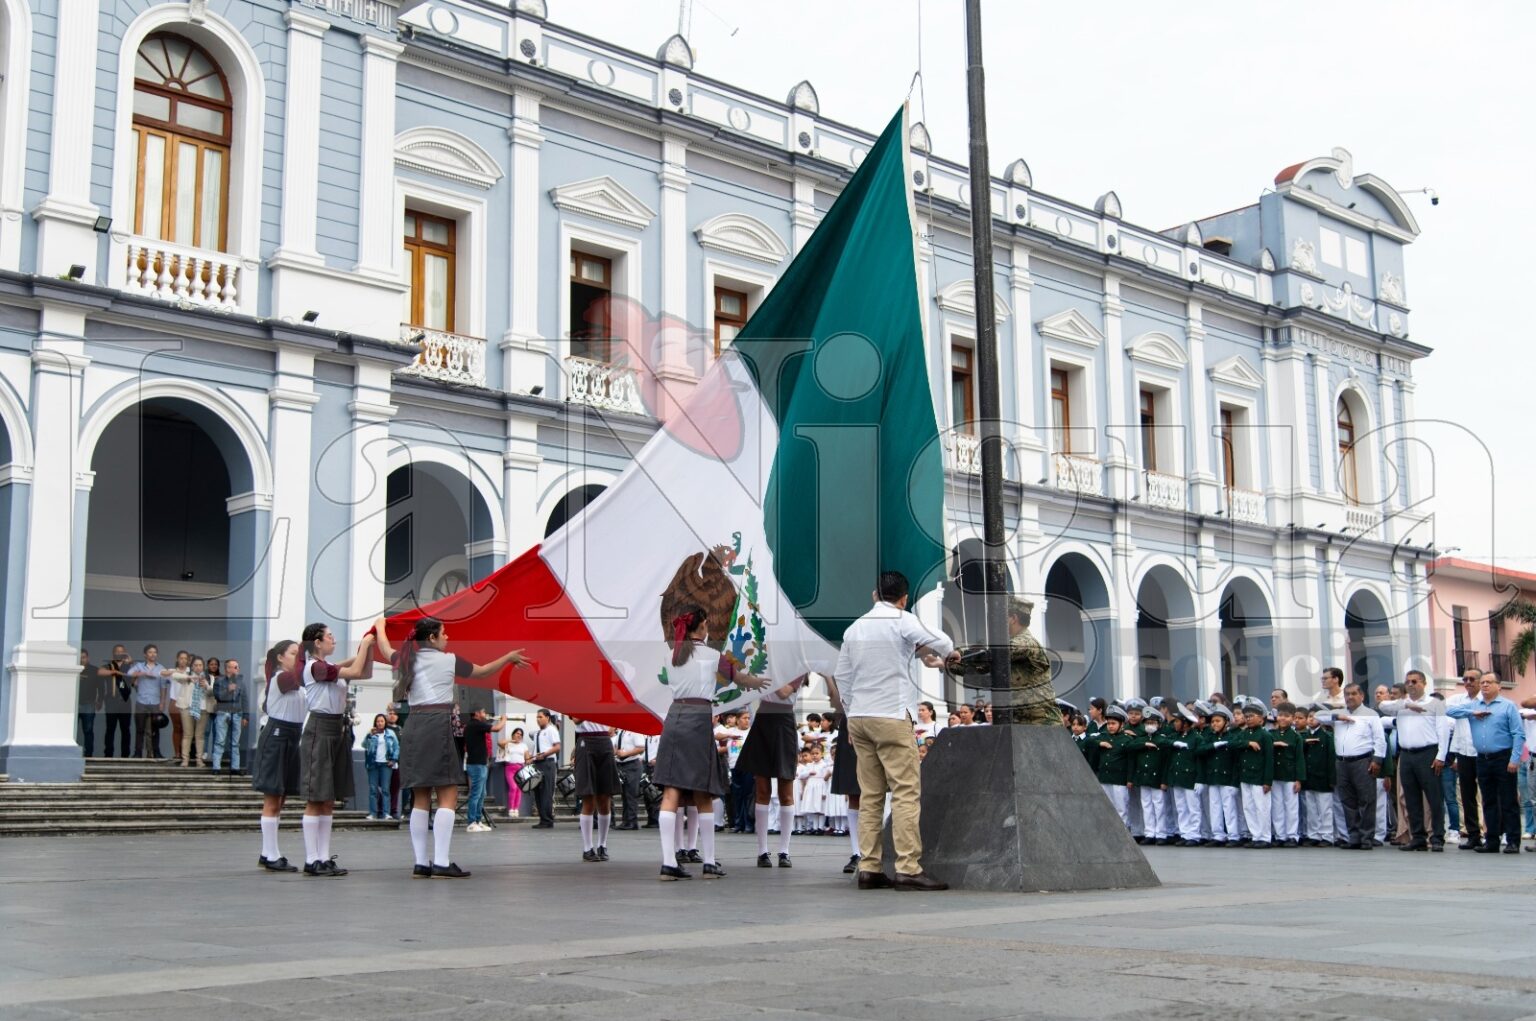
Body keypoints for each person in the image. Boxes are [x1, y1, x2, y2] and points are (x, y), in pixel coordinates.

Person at [372, 615, 528, 878]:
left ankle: (421, 863)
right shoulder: (449, 660)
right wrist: (508, 658)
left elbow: (386, 648)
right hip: (436, 725)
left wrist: (378, 628)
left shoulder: (407, 658)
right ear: (432, 638)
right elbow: (482, 671)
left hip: (413, 726)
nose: (448, 637)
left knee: (420, 797)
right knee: (447, 794)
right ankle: (442, 862)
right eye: (444, 633)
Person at [836, 572, 959, 891]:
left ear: (875, 594)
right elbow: (942, 640)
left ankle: (869, 866)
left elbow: (842, 676)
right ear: (903, 598)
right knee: (905, 791)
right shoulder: (902, 619)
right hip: (890, 714)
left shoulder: (855, 628)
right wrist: (949, 654)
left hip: (860, 717)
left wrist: (850, 716)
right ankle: (907, 867)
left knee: (871, 794)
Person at [653, 604, 768, 880]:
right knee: (704, 791)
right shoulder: (712, 655)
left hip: (674, 717)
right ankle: (710, 862)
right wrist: (758, 682)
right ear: (702, 626)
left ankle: (669, 862)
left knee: (671, 792)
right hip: (698, 718)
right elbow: (738, 678)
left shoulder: (673, 655)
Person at [1445, 672, 1526, 854]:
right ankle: (1491, 840)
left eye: (1489, 682)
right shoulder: (1474, 705)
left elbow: (1518, 734)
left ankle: (1513, 840)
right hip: (1482, 757)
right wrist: (1472, 712)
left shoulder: (1507, 706)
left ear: (1499, 685)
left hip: (1503, 757)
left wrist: (1514, 759)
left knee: (1508, 800)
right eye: (1482, 683)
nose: (1485, 685)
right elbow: (1449, 710)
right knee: (1488, 800)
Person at [738, 673, 807, 869]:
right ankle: (762, 851)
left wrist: (765, 679)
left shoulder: (798, 667)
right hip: (763, 718)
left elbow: (785, 692)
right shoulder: (764, 664)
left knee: (786, 791)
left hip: (784, 719)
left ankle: (784, 851)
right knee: (762, 790)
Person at [1378, 670, 1448, 852]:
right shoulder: (1401, 705)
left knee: (1434, 797)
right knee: (1411, 797)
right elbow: (1383, 705)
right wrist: (1408, 705)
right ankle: (1418, 836)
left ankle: (1437, 836)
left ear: (1424, 684)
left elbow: (1443, 730)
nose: (1411, 684)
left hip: (1428, 752)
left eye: (1415, 681)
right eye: (1408, 682)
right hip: (1407, 754)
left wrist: (1441, 755)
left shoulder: (1434, 703)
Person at [253, 640, 302, 873]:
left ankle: (267, 852)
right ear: (281, 658)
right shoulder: (281, 677)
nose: (298, 657)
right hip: (276, 736)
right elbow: (308, 672)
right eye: (294, 653)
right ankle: (271, 854)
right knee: (272, 797)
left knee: (281, 798)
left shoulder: (299, 682)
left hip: (293, 736)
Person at [1320, 684, 1386, 850]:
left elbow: (1379, 739)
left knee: (1366, 800)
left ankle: (1366, 838)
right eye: (1347, 694)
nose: (1350, 697)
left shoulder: (1370, 714)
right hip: (1342, 762)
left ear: (1361, 696)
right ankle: (1354, 837)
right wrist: (1338, 717)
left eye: (1354, 694)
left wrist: (1377, 760)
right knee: (1348, 801)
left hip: (1362, 760)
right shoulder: (1340, 713)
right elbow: (1319, 716)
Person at [1003, 599, 1061, 725]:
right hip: (1024, 722)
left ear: (1013, 618)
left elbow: (1000, 654)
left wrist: (962, 656)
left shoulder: (1027, 643)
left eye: (1004, 617)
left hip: (1042, 723)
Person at [1448, 670, 1485, 848]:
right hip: (1464, 753)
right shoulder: (1459, 700)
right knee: (1467, 795)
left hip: (1483, 753)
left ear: (1480, 681)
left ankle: (1494, 832)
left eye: (1472, 679)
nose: (1468, 682)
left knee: (1489, 794)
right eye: (1465, 679)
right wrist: (1471, 712)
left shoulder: (1486, 700)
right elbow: (1448, 710)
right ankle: (1473, 834)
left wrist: (1467, 712)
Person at [572, 717, 616, 860]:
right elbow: (576, 719)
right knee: (588, 797)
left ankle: (602, 845)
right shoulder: (577, 696)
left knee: (604, 797)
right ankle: (587, 848)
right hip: (586, 740)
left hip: (605, 741)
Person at [1197, 704, 1239, 846]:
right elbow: (1200, 750)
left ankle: (1233, 835)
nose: (1214, 724)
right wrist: (1214, 745)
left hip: (1227, 778)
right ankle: (1218, 835)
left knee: (1229, 808)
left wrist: (1234, 782)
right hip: (1213, 778)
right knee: (1214, 808)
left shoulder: (1232, 736)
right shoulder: (1210, 737)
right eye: (1213, 721)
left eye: (1218, 721)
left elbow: (1235, 762)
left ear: (1226, 722)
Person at [1268, 702, 1306, 848]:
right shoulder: (1271, 735)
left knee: (1291, 806)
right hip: (1276, 775)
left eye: (1287, 716)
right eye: (1280, 715)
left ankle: (1292, 835)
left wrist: (1299, 779)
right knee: (1277, 806)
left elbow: (1299, 759)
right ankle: (1280, 835)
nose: (1283, 719)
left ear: (1292, 718)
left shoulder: (1295, 737)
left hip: (1290, 775)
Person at [1299, 704, 1336, 846]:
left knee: (1324, 808)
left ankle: (1326, 835)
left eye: (1315, 717)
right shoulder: (1304, 736)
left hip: (1323, 778)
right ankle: (1313, 834)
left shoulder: (1327, 737)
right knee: (1311, 808)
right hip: (1310, 777)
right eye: (1309, 717)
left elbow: (1331, 759)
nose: (1311, 719)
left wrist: (1332, 778)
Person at [128, 644, 169, 760]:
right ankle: (137, 753)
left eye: (155, 652)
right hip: (141, 702)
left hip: (155, 702)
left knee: (155, 729)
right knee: (140, 729)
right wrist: (143, 673)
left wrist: (162, 703)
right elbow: (130, 673)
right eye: (150, 652)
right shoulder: (139, 666)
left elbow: (163, 687)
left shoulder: (161, 668)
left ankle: (156, 752)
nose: (153, 654)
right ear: (145, 654)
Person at [210, 658, 245, 775]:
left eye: (237, 667)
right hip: (223, 713)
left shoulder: (240, 682)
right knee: (220, 741)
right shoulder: (219, 681)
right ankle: (216, 767)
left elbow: (244, 699)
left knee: (235, 742)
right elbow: (218, 696)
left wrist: (246, 716)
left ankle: (235, 767)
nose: (236, 669)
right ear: (227, 669)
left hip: (237, 714)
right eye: (233, 667)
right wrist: (228, 690)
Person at [175, 656, 210, 768]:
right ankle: (185, 759)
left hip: (203, 709)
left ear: (203, 666)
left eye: (200, 665)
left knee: (199, 735)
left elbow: (213, 694)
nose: (198, 667)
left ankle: (199, 760)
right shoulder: (187, 677)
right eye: (195, 665)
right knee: (187, 734)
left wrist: (207, 686)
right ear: (192, 666)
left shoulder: (209, 677)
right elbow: (174, 675)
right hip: (187, 708)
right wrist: (189, 676)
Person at [363, 713, 400, 820]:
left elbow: (397, 747)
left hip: (385, 764)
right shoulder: (372, 734)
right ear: (375, 723)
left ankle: (386, 813)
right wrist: (369, 735)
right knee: (373, 789)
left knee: (385, 789)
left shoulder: (390, 733)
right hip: (373, 764)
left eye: (382, 721)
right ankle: (373, 813)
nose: (380, 723)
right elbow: (364, 745)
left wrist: (393, 759)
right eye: (378, 721)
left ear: (385, 722)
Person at [99, 645, 133, 758]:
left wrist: (129, 663)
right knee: (110, 729)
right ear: (113, 653)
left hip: (125, 702)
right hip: (111, 701)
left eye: (121, 652)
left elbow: (134, 676)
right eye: (117, 651)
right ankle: (108, 754)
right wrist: (114, 672)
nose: (119, 653)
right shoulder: (108, 666)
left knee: (125, 730)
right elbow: (100, 672)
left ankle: (125, 755)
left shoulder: (128, 667)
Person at [530, 709, 561, 829]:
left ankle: (548, 819)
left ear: (547, 717)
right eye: (537, 717)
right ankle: (542, 818)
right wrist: (531, 759)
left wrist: (544, 754)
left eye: (540, 717)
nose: (538, 719)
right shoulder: (538, 733)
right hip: (538, 763)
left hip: (547, 763)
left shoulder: (551, 730)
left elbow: (557, 747)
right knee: (538, 791)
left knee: (546, 792)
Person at [613, 727, 647, 830]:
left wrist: (625, 754)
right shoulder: (621, 732)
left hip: (632, 764)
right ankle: (626, 821)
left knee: (631, 794)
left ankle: (632, 821)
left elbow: (641, 748)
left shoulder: (635, 731)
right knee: (625, 794)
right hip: (621, 764)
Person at [76, 649, 104, 757]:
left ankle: (88, 754)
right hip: (74, 705)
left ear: (88, 658)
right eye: (80, 657)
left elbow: (101, 688)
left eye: (83, 657)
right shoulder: (74, 670)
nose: (81, 659)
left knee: (88, 730)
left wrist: (100, 700)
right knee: (72, 732)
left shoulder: (94, 670)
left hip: (89, 704)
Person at [499, 726, 528, 820]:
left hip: (520, 768)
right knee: (513, 787)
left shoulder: (524, 745)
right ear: (513, 734)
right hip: (509, 768)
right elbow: (499, 743)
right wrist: (511, 741)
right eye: (517, 733)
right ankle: (511, 809)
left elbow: (527, 758)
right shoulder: (508, 744)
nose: (519, 735)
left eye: (520, 734)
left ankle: (516, 809)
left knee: (519, 788)